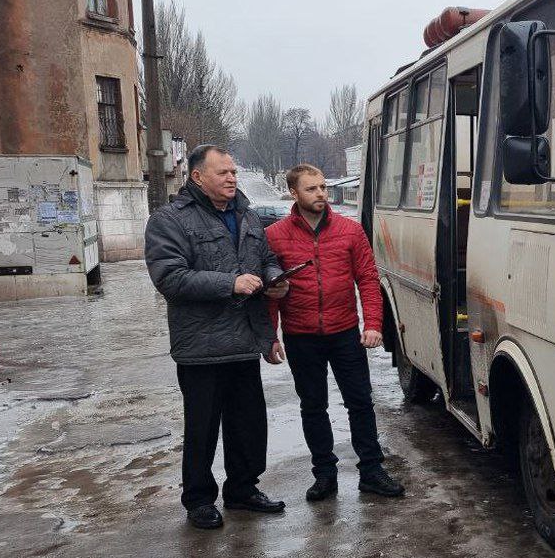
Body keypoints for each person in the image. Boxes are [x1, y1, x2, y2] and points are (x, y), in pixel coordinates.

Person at [144, 145, 291, 530]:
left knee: (248, 424)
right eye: (222, 172)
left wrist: (274, 281)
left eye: (233, 172)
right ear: (197, 177)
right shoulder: (170, 220)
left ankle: (242, 489)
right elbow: (169, 278)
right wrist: (231, 283)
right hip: (201, 347)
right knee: (203, 427)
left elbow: (264, 259)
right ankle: (198, 500)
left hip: (243, 342)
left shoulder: (246, 214)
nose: (231, 178)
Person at [265, 163, 404, 501]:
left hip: (344, 332)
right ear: (294, 193)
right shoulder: (275, 236)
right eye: (312, 189)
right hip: (301, 336)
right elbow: (271, 291)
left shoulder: (350, 231)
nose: (321, 194)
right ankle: (324, 474)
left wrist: (372, 324)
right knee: (313, 407)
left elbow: (368, 280)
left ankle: (371, 470)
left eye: (323, 187)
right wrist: (270, 336)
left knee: (360, 402)